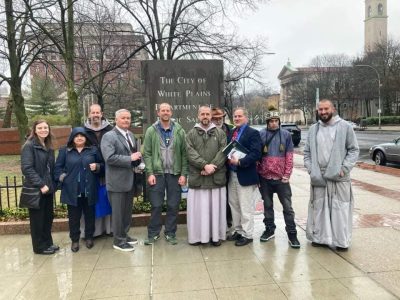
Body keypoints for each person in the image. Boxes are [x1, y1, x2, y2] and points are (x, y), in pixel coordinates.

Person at [304, 99, 359, 251]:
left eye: (326, 109)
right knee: (319, 209)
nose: (323, 112)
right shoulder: (313, 129)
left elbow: (354, 150)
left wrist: (344, 169)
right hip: (319, 177)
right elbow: (307, 152)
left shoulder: (345, 127)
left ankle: (341, 241)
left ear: (333, 109)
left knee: (339, 209)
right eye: (320, 109)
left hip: (338, 177)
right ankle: (321, 238)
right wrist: (311, 169)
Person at [143, 103, 188, 245]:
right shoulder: (151, 131)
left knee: (173, 205)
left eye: (167, 110)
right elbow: (147, 154)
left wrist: (183, 174)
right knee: (156, 205)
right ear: (158, 113)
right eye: (163, 110)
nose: (165, 112)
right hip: (157, 173)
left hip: (174, 173)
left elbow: (184, 154)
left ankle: (170, 233)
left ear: (171, 112)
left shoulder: (180, 131)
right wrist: (149, 172)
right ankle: (153, 233)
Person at [55, 127, 104, 252]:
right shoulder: (65, 151)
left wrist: (97, 166)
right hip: (72, 190)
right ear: (72, 138)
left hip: (89, 188)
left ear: (86, 138)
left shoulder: (93, 150)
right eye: (77, 136)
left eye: (82, 136)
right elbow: (58, 168)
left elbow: (103, 165)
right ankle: (75, 240)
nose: (79, 138)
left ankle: (89, 237)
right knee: (74, 218)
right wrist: (64, 178)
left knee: (90, 216)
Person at [257, 111, 300, 248]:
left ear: (279, 121)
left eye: (276, 120)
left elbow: (289, 156)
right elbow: (257, 156)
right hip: (264, 178)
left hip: (282, 179)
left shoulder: (286, 135)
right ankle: (269, 229)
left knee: (287, 207)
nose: (273, 123)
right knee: (268, 206)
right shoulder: (261, 134)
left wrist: (287, 174)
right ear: (267, 122)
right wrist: (258, 175)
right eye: (271, 121)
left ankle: (292, 234)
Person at [101, 109, 142, 252]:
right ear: (116, 120)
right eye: (123, 118)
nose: (126, 120)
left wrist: (138, 162)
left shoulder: (130, 134)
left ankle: (124, 235)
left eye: (128, 118)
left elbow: (133, 155)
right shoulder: (109, 136)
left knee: (126, 212)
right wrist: (130, 159)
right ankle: (118, 241)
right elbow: (110, 158)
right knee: (118, 213)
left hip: (130, 180)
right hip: (117, 182)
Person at [186, 106, 227, 246]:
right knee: (199, 211)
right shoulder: (191, 134)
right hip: (199, 178)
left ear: (211, 116)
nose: (205, 116)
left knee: (215, 210)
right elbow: (190, 153)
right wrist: (204, 165)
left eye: (207, 114)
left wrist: (212, 167)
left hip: (216, 178)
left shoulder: (220, 133)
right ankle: (198, 237)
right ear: (198, 116)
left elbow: (224, 151)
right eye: (202, 114)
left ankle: (215, 237)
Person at [21, 120, 58, 255]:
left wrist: (52, 184)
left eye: (45, 127)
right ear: (35, 130)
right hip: (37, 189)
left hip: (48, 189)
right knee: (37, 220)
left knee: (48, 217)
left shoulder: (48, 146)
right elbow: (27, 168)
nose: (43, 130)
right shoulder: (29, 146)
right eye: (40, 128)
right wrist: (41, 184)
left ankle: (48, 243)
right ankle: (39, 247)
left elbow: (50, 168)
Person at [227, 107, 262, 246]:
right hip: (232, 174)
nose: (236, 118)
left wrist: (240, 162)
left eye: (239, 116)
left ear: (246, 118)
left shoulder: (253, 133)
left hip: (245, 174)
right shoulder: (232, 132)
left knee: (245, 207)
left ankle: (247, 234)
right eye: (235, 116)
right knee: (234, 204)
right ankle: (238, 230)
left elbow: (256, 153)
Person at [83, 103, 113, 237]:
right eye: (93, 113)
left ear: (101, 114)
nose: (95, 115)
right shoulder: (83, 131)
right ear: (89, 114)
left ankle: (109, 229)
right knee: (92, 200)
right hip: (90, 170)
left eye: (97, 112)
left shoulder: (110, 129)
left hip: (108, 169)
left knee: (107, 199)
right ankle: (93, 231)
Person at [211, 107, 233, 229]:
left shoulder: (231, 129)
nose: (218, 120)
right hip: (214, 167)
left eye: (220, 118)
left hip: (229, 167)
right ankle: (217, 220)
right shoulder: (208, 130)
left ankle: (228, 219)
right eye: (215, 118)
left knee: (229, 195)